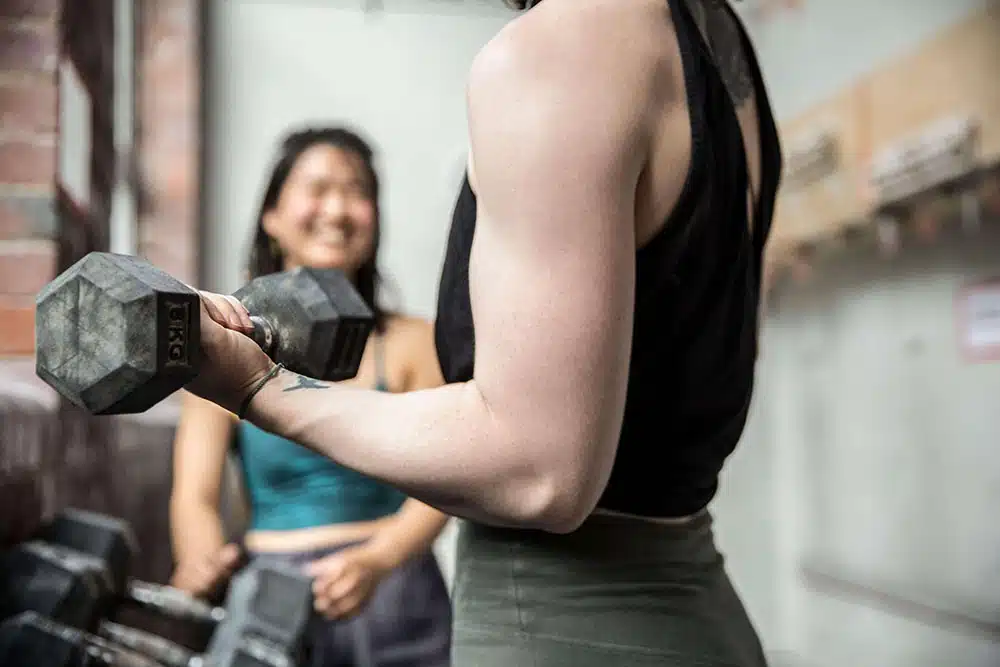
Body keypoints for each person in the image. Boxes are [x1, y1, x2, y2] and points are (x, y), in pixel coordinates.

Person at [184, 0, 783, 664]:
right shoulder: (719, 38)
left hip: (564, 627)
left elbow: (538, 473)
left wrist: (262, 390)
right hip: (700, 618)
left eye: (354, 190)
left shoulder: (563, 48)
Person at [168, 127, 453, 666]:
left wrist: (379, 559)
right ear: (272, 216)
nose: (338, 208)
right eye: (318, 187)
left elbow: (448, 479)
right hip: (269, 602)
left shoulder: (412, 342)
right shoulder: (223, 348)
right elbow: (195, 496)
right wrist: (199, 557)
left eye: (357, 191)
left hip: (396, 595)